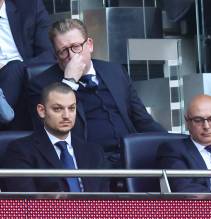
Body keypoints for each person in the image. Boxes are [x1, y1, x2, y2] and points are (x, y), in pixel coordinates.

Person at [29, 18, 165, 168]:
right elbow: (53, 134)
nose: (71, 55)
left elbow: (143, 120)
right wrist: (69, 82)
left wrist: (175, 143)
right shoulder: (41, 85)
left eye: (76, 47)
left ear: (89, 45)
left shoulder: (114, 71)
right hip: (86, 161)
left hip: (130, 155)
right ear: (55, 56)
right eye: (63, 51)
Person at [3, 82, 108, 192]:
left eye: (71, 108)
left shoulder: (94, 152)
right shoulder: (21, 150)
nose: (66, 116)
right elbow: (25, 202)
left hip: (92, 209)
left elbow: (106, 200)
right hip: (47, 209)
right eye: (58, 109)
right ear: (42, 111)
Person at [0, 0, 55, 129]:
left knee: (14, 67)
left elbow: (49, 52)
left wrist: (18, 68)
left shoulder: (31, 6)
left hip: (28, 74)